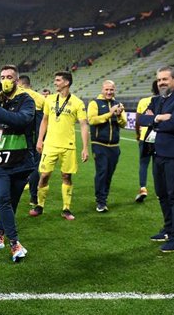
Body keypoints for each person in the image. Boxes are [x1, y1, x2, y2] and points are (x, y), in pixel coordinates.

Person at [0, 65, 36, 262]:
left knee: (12, 203)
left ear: (17, 81)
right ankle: (14, 243)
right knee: (2, 198)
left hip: (20, 161)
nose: (6, 80)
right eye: (3, 77)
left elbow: (22, 120)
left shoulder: (25, 100)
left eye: (9, 77)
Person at [137, 67, 174, 252]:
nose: (161, 82)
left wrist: (156, 120)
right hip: (158, 152)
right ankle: (168, 229)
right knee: (162, 194)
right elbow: (141, 119)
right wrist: (160, 118)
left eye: (165, 79)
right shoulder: (156, 100)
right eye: (159, 79)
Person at [31, 71, 89, 221]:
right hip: (50, 145)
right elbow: (44, 120)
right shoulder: (49, 100)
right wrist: (39, 139)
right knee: (44, 175)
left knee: (66, 176)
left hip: (68, 146)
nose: (55, 82)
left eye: (58, 80)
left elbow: (83, 125)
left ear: (66, 82)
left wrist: (85, 147)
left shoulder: (77, 102)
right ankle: (39, 205)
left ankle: (66, 208)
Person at [87, 80, 127, 212]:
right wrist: (110, 113)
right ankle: (101, 201)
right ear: (102, 89)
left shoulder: (118, 104)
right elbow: (92, 120)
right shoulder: (94, 103)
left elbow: (123, 124)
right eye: (107, 89)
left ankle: (104, 198)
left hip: (114, 146)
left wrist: (120, 114)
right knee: (102, 172)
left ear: (114, 90)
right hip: (99, 144)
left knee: (109, 173)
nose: (109, 92)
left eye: (111, 90)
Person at [18, 75, 45, 206]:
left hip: (20, 136)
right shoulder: (40, 98)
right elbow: (45, 120)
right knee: (34, 166)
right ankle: (34, 197)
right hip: (37, 136)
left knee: (17, 165)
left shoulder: (18, 95)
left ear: (20, 83)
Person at [134, 81, 159, 203]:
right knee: (157, 165)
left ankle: (143, 188)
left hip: (145, 138)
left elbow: (138, 121)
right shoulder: (165, 102)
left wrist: (138, 135)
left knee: (143, 164)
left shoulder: (143, 101)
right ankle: (160, 191)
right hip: (160, 138)